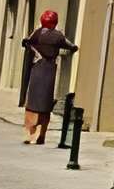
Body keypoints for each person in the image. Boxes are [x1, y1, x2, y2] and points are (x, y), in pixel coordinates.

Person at [20, 9, 75, 144]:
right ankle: (41, 133)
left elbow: (26, 42)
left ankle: (30, 133)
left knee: (32, 102)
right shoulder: (58, 36)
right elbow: (72, 46)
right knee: (46, 103)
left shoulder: (37, 34)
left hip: (37, 68)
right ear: (55, 22)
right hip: (50, 69)